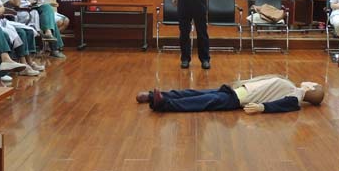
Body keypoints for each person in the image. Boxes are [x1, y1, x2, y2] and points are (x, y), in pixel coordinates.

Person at [137, 74, 324, 113]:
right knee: (194, 92)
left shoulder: (295, 95)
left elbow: (285, 104)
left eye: (312, 83)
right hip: (236, 91)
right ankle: (155, 96)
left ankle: (163, 104)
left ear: (310, 89)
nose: (308, 81)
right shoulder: (290, 85)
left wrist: (262, 107)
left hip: (237, 99)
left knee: (200, 101)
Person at [0, 0, 66, 59]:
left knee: (48, 12)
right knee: (47, 10)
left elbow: (26, 0)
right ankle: (54, 47)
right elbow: (17, 4)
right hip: (18, 13)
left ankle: (49, 36)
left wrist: (31, 2)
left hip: (30, 8)